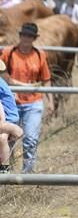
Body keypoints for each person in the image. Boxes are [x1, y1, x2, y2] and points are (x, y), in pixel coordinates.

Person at [0, 23, 54, 173]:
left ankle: (27, 174)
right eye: (24, 35)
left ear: (34, 38)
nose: (26, 38)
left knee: (30, 139)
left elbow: (46, 78)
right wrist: (16, 88)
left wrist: (50, 101)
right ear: (20, 35)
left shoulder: (39, 55)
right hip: (11, 103)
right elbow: (3, 75)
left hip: (34, 102)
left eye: (30, 36)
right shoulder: (8, 53)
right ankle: (6, 173)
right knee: (6, 139)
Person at [0, 59, 22, 173]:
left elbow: (1, 110)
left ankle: (4, 168)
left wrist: (6, 125)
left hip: (9, 117)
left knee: (2, 138)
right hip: (6, 116)